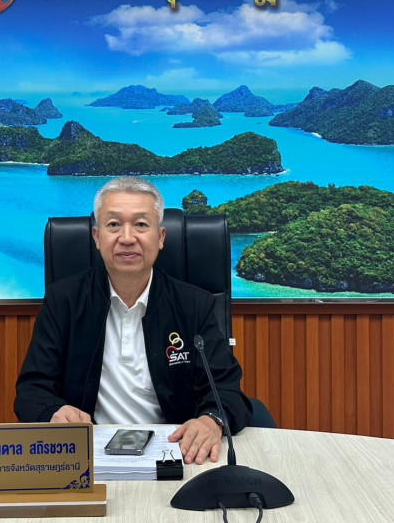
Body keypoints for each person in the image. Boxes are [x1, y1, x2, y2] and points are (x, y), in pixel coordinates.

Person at [14, 176, 253, 465]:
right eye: (114, 225)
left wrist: (211, 420)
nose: (127, 238)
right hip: (89, 456)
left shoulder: (194, 305)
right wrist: (53, 412)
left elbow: (226, 391)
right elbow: (32, 390)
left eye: (141, 224)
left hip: (177, 453)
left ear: (161, 237)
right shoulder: (64, 300)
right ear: (97, 237)